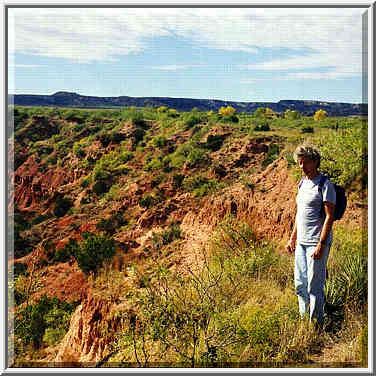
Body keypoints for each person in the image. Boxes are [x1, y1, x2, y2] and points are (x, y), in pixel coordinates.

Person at [286, 145, 336, 328]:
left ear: (315, 161)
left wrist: (321, 245)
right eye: (300, 162)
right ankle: (303, 323)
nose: (302, 166)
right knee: (300, 284)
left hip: (316, 243)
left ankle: (315, 326)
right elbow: (300, 214)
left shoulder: (325, 185)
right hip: (301, 243)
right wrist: (292, 239)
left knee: (314, 287)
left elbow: (329, 217)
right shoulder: (302, 183)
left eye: (305, 162)